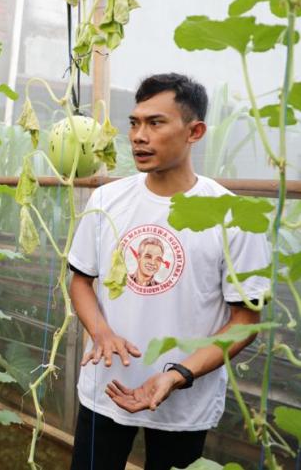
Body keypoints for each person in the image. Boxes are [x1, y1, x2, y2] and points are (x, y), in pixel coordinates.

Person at [67, 73, 270, 470]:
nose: (139, 136)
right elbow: (80, 280)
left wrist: (177, 374)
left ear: (195, 131)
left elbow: (246, 320)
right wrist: (101, 332)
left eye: (155, 123)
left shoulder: (236, 217)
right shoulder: (107, 199)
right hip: (104, 388)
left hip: (184, 401)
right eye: (135, 123)